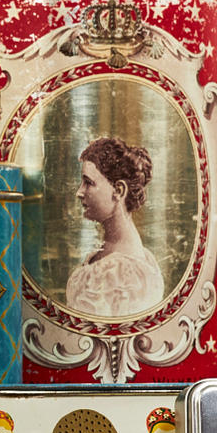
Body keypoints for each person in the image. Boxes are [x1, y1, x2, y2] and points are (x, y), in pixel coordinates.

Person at [64, 136, 165, 318]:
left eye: (88, 183)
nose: (79, 192)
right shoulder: (114, 256)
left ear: (119, 191)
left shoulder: (122, 275)